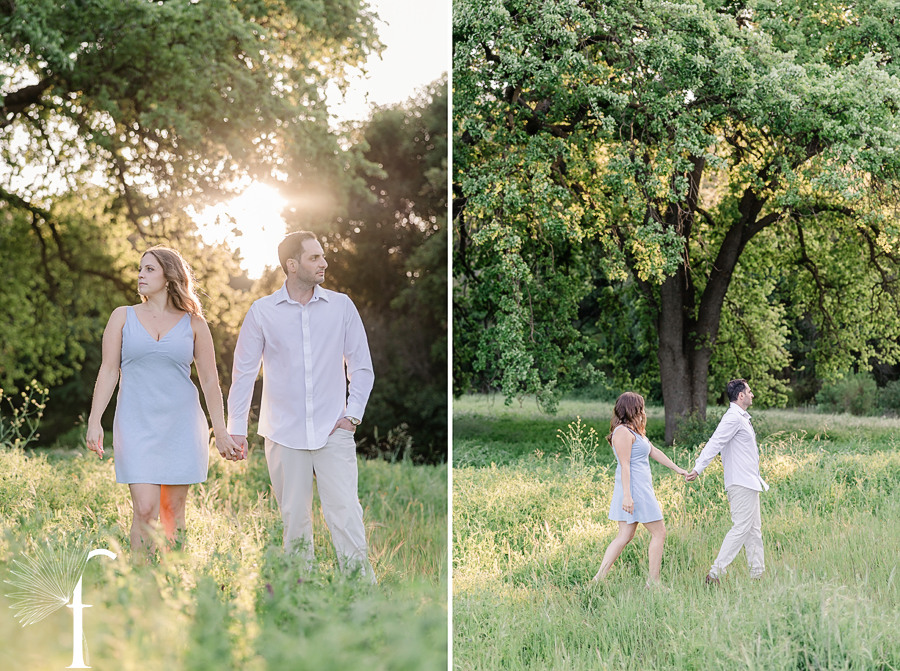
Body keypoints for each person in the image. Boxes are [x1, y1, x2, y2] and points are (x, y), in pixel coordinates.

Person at [227, 231, 376, 581]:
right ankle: (301, 594)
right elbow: (244, 373)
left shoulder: (341, 306)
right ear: (292, 265)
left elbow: (362, 367)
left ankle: (360, 592)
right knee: (294, 518)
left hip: (333, 429)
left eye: (323, 257)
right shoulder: (262, 312)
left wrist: (352, 415)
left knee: (345, 513)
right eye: (314, 258)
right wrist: (236, 429)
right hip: (283, 433)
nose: (324, 263)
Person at [86, 246, 241, 559]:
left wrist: (220, 431)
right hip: (135, 422)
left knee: (173, 511)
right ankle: (142, 588)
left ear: (170, 277)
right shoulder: (122, 316)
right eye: (140, 269)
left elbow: (210, 381)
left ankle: (172, 582)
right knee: (144, 510)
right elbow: (108, 370)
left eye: (149, 269)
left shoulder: (194, 324)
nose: (140, 276)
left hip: (181, 425)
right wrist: (95, 420)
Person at [592, 391, 690, 586]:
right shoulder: (622, 432)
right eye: (641, 407)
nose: (644, 411)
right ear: (632, 408)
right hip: (634, 490)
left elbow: (654, 451)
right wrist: (627, 496)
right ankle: (653, 583)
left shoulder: (634, 431)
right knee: (659, 532)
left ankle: (597, 581)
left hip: (639, 488)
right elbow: (625, 465)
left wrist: (677, 469)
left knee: (625, 535)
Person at [684, 378, 769, 585]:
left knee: (753, 530)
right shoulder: (733, 417)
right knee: (741, 528)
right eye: (749, 391)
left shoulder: (741, 417)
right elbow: (715, 442)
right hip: (741, 483)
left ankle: (757, 575)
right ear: (741, 395)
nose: (752, 395)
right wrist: (698, 467)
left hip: (749, 482)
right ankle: (715, 574)